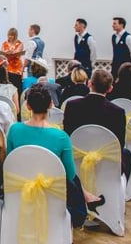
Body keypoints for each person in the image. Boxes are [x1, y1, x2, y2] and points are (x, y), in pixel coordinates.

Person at [7, 83, 105, 228]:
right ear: (51, 105)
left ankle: (88, 198)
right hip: (52, 191)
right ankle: (86, 201)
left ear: (27, 106)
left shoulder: (14, 130)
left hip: (20, 185)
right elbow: (70, 174)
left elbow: (9, 162)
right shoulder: (61, 136)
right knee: (73, 178)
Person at [63, 69, 131, 179]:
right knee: (127, 154)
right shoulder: (117, 112)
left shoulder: (72, 106)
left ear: (89, 83)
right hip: (106, 163)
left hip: (76, 158)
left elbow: (67, 135)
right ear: (110, 88)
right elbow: (119, 144)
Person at [0, 28, 25, 92]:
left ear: (15, 36)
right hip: (7, 65)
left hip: (16, 67)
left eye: (12, 35)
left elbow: (17, 52)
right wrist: (6, 52)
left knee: (17, 84)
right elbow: (2, 54)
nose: (10, 36)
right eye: (9, 35)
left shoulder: (19, 43)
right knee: (8, 83)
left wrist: (10, 52)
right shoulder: (4, 43)